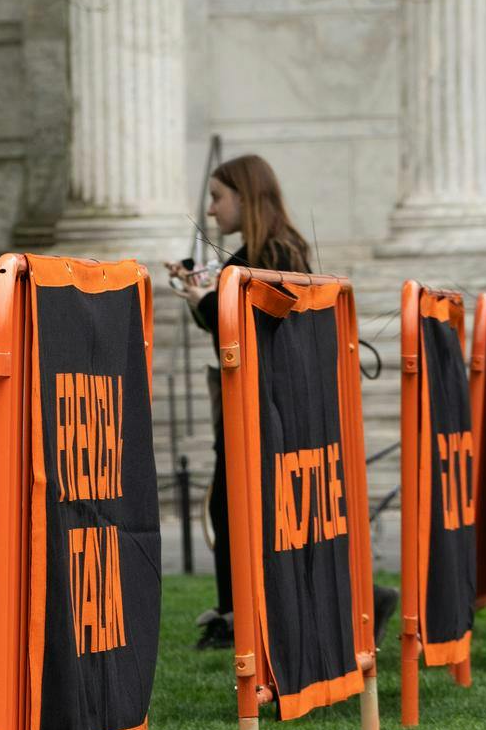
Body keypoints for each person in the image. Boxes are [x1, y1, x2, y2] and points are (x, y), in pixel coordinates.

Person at [163, 153, 396, 650]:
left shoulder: (273, 253)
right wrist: (201, 295)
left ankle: (345, 601)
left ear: (245, 197)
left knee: (276, 516)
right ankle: (244, 616)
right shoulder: (269, 250)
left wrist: (203, 299)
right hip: (264, 405)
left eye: (217, 196)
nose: (210, 210)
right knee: (248, 512)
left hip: (270, 409)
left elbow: (259, 330)